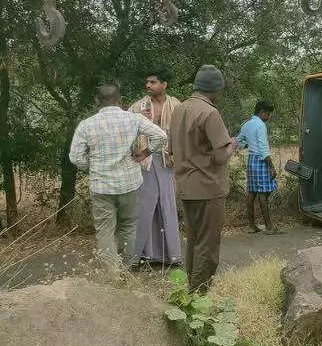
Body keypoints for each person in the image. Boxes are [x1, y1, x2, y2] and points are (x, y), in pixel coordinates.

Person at [69, 84, 167, 270]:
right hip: (129, 183)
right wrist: (145, 153)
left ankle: (112, 274)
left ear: (97, 101)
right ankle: (127, 270)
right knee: (128, 227)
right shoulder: (134, 119)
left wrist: (92, 166)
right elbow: (161, 136)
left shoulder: (86, 125)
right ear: (120, 99)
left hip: (101, 187)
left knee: (105, 230)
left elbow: (75, 157)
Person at [170, 65, 238, 293]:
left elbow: (172, 150)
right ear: (216, 88)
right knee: (208, 246)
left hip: (185, 187)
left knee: (194, 241)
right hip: (209, 188)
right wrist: (233, 145)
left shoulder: (179, 110)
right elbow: (221, 155)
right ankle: (199, 295)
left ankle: (190, 291)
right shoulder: (210, 113)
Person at [129, 68, 183, 266]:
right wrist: (139, 119)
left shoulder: (176, 104)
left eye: (153, 82)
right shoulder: (138, 106)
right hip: (145, 162)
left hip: (168, 161)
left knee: (167, 205)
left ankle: (171, 256)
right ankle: (139, 256)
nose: (148, 85)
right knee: (145, 207)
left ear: (164, 84)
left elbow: (183, 132)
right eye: (147, 82)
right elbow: (127, 133)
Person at [236, 101, 280, 233]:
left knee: (251, 193)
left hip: (251, 161)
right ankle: (269, 226)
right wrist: (271, 166)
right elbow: (263, 148)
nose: (269, 116)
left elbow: (239, 142)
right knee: (263, 194)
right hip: (261, 160)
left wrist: (249, 144)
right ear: (262, 112)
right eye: (268, 114)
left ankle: (251, 226)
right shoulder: (260, 125)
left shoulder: (247, 124)